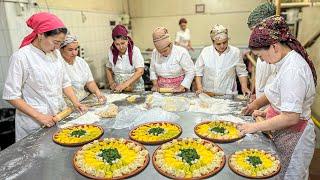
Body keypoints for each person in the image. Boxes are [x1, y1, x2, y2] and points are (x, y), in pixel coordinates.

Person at [240, 15, 317, 180]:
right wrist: (255, 106)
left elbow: (291, 117)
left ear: (274, 47)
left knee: (291, 176)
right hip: (284, 133)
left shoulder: (293, 70)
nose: (263, 61)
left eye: (261, 56)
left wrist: (252, 128)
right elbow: (274, 93)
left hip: (296, 136)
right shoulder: (282, 62)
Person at [2, 12, 87, 141]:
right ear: (41, 35)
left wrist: (76, 103)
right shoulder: (21, 57)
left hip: (58, 115)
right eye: (55, 42)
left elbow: (65, 82)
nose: (58, 47)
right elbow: (11, 95)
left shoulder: (56, 54)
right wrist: (39, 116)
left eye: (60, 43)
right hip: (34, 122)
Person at [194, 24, 251, 95]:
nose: (222, 46)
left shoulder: (235, 52)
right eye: (218, 44)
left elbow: (241, 72)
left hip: (228, 93)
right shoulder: (206, 52)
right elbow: (198, 72)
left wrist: (244, 87)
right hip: (208, 93)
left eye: (225, 42)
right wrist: (200, 88)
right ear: (213, 42)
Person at [60, 34, 106, 103]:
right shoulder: (59, 64)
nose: (74, 53)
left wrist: (98, 94)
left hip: (83, 99)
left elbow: (89, 82)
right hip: (67, 103)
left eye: (76, 49)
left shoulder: (80, 62)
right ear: (61, 49)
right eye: (70, 50)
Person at [150, 27, 195, 92]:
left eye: (164, 51)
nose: (162, 54)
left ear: (170, 45)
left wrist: (181, 87)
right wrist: (155, 84)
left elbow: (190, 71)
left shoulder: (181, 52)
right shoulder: (155, 52)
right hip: (161, 89)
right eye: (159, 51)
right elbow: (152, 70)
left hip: (179, 89)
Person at [247, 2, 276, 99]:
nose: (252, 34)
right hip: (263, 110)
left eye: (254, 30)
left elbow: (277, 93)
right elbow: (264, 84)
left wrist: (258, 104)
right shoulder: (264, 49)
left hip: (275, 111)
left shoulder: (276, 54)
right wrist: (257, 95)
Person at [106, 25, 145, 92]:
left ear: (127, 39)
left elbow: (140, 71)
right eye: (117, 44)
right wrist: (111, 83)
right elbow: (108, 69)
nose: (120, 47)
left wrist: (125, 85)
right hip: (119, 89)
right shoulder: (111, 51)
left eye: (123, 43)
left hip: (135, 88)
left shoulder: (135, 50)